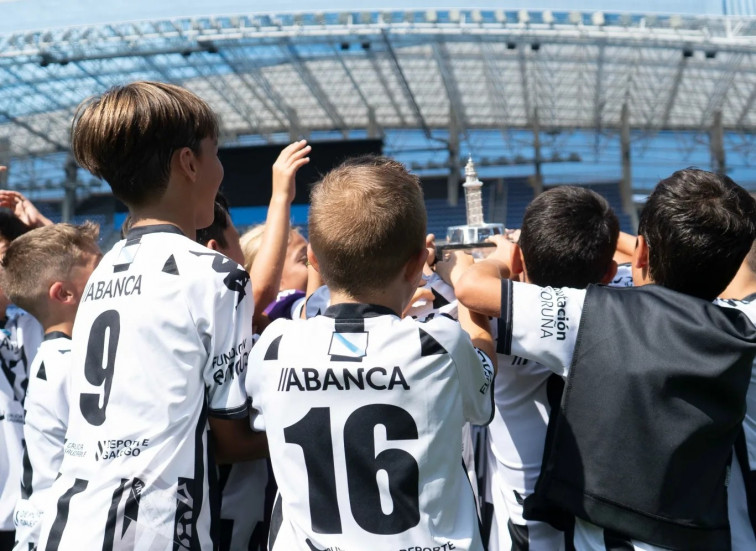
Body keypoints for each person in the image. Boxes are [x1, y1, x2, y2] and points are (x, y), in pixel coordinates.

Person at [455, 168, 756, 551]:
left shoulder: (597, 315)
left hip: (591, 532)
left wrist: (499, 254)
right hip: (710, 533)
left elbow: (471, 288)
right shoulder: (744, 326)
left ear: (641, 253)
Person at [35, 81, 266, 551]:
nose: (221, 169)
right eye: (216, 153)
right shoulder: (217, 275)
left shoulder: (103, 272)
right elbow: (231, 439)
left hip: (72, 521)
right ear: (189, 163)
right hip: (152, 528)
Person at [245, 156, 496, 551]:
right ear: (417, 264)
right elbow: (483, 391)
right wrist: (467, 289)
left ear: (314, 261)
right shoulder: (438, 343)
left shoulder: (275, 347)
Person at [451, 186, 620, 551]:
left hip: (527, 518)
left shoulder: (492, 319)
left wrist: (494, 257)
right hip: (602, 510)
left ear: (519, 262)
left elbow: (469, 289)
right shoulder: (623, 308)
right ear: (610, 271)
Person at [0, 223, 101, 550]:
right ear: (64, 294)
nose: (111, 278)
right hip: (55, 531)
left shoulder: (56, 349)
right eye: (101, 269)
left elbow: (50, 267)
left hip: (40, 526)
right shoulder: (69, 363)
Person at [0, 198, 44, 551]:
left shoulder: (31, 326)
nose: (6, 266)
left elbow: (89, 289)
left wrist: (39, 228)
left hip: (28, 518)